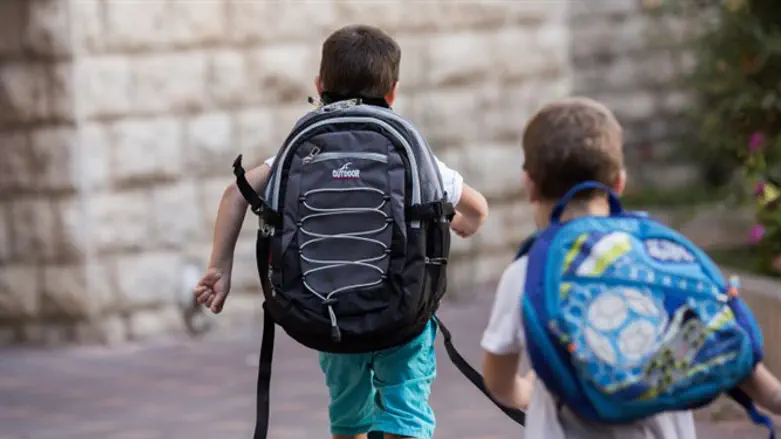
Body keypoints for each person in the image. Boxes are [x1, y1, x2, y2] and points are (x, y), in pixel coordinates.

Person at [193, 24, 489, 439]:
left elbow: (236, 193)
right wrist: (463, 222)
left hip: (328, 311)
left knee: (349, 416)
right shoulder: (409, 149)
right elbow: (477, 208)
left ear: (319, 84)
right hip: (402, 311)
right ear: (393, 92)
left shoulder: (300, 149)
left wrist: (219, 268)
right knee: (405, 408)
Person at [479, 96, 781, 439]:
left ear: (529, 185)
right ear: (619, 182)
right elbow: (747, 367)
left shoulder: (527, 273)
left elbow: (498, 382)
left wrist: (524, 391)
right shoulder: (658, 257)